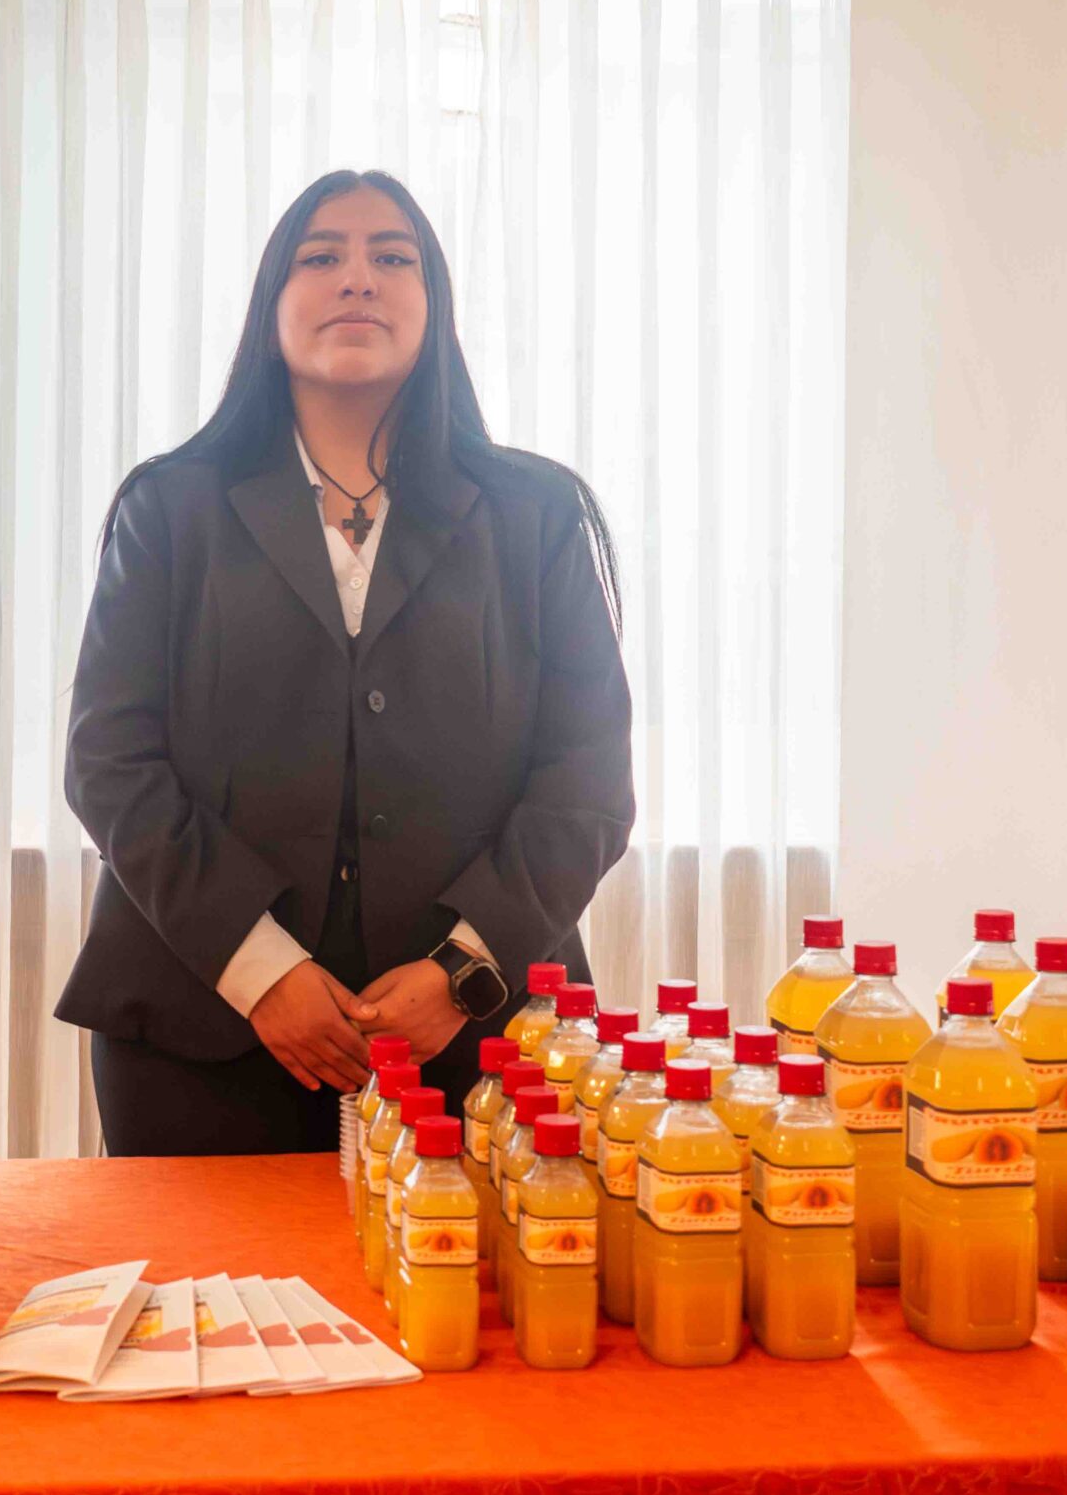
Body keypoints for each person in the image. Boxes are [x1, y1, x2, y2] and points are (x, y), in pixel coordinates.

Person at [58, 170, 635, 1155]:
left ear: (433, 302)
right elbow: (110, 767)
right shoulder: (170, 507)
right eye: (320, 256)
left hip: (481, 1041)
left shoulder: (536, 515)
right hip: (203, 1034)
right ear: (271, 304)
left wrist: (462, 975)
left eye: (391, 257)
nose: (357, 278)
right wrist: (262, 972)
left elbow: (587, 783)